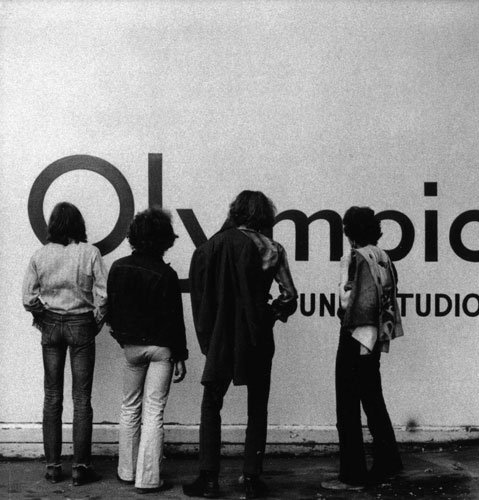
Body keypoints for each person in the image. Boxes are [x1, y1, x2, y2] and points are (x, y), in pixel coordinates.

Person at [183, 190, 298, 500]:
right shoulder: (273, 248)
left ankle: (209, 478)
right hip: (257, 333)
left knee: (212, 402)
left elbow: (201, 295)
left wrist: (208, 335)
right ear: (265, 216)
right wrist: (269, 314)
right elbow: (289, 296)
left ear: (236, 211)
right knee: (257, 405)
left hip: (222, 332)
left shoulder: (212, 246)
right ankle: (251, 478)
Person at [22, 202, 107, 486]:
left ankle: (53, 467)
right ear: (78, 224)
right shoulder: (90, 253)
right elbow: (104, 295)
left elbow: (27, 298)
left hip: (51, 325)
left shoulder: (40, 255)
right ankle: (81, 467)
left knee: (52, 396)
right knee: (81, 398)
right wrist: (95, 321)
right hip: (81, 323)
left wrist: (43, 315)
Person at [321, 206, 404, 491]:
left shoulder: (355, 257)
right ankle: (388, 462)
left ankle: (353, 473)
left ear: (349, 232)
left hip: (355, 334)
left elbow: (346, 301)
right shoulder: (383, 256)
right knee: (372, 398)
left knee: (347, 404)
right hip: (376, 336)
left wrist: (343, 269)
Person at [107, 207, 188, 494]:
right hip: (161, 349)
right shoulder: (167, 274)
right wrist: (181, 355)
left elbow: (111, 310)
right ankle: (149, 479)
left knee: (129, 407)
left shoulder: (118, 268)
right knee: (153, 411)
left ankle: (126, 471)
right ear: (165, 240)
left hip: (132, 347)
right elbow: (175, 321)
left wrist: (122, 337)